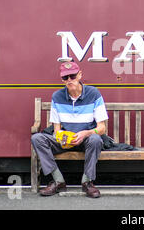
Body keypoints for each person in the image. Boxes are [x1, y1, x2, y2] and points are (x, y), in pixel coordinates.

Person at [31, 61, 108, 198]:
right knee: (36, 138)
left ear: (80, 75)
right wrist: (63, 137)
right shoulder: (57, 96)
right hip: (65, 141)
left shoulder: (94, 93)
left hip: (86, 141)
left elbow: (102, 128)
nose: (69, 80)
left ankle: (87, 182)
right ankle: (58, 181)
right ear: (62, 79)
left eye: (72, 76)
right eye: (65, 78)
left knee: (95, 139)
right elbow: (56, 130)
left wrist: (86, 133)